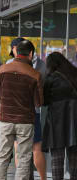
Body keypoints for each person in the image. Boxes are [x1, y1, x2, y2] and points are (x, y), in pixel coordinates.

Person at [0, 40, 43, 180]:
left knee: (2, 158)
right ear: (30, 54)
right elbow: (39, 103)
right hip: (25, 121)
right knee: (24, 159)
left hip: (5, 120)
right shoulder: (35, 74)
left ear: (16, 52)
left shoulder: (1, 70)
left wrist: (7, 100)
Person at [7, 37, 47, 180]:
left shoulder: (9, 64)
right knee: (36, 148)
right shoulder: (42, 65)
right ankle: (43, 178)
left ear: (16, 49)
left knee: (19, 149)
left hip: (14, 114)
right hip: (33, 113)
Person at [42, 52, 77, 180]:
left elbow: (44, 101)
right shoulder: (74, 74)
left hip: (56, 121)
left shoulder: (50, 78)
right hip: (75, 122)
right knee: (74, 161)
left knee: (57, 160)